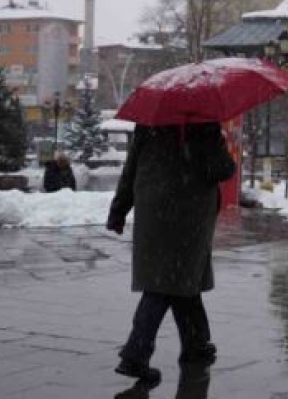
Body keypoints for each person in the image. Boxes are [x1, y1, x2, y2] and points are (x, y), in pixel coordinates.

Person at [107, 122, 234, 384]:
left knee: (179, 277)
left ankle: (196, 343)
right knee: (166, 285)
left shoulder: (149, 123)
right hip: (188, 214)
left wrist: (119, 210)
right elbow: (222, 169)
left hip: (154, 211)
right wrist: (217, 142)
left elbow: (131, 169)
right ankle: (135, 355)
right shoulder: (204, 124)